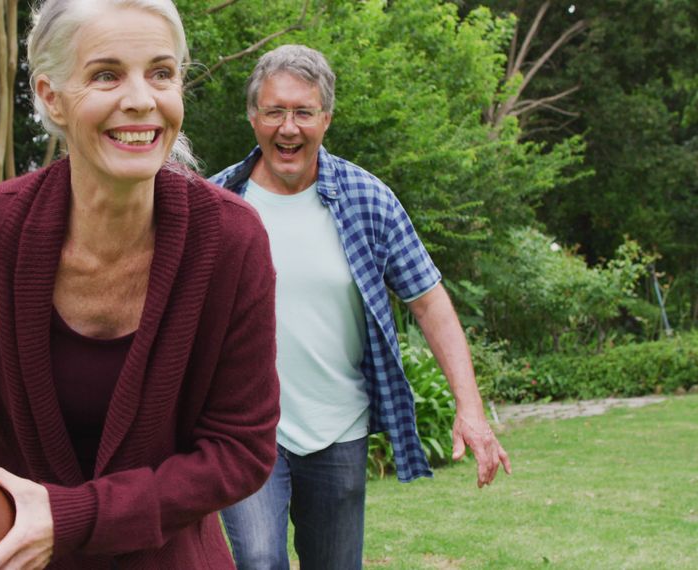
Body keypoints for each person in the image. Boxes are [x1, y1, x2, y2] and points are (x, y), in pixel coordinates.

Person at [0, 1, 281, 568]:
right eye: (106, 75)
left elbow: (239, 450)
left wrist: (74, 518)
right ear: (50, 96)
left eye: (162, 73)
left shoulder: (232, 243)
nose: (142, 99)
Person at [210, 45, 512, 570]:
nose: (289, 128)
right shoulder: (217, 204)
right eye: (275, 111)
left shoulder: (368, 199)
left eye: (304, 112)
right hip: (247, 430)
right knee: (259, 560)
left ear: (326, 118)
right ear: (253, 116)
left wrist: (471, 411)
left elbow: (431, 302)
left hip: (338, 431)